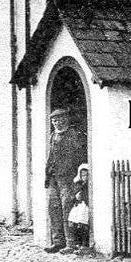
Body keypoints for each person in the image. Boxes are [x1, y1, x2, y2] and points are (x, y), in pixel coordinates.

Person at [44, 108, 85, 253]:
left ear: (66, 119)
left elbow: (80, 157)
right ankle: (58, 241)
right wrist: (47, 176)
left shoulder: (74, 135)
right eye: (54, 120)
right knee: (54, 209)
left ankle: (70, 243)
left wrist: (77, 178)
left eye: (60, 119)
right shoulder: (53, 135)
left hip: (68, 179)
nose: (57, 123)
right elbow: (50, 156)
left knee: (67, 209)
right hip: (53, 178)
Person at [68, 163, 90, 248]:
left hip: (86, 205)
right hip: (78, 205)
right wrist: (76, 197)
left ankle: (84, 244)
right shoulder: (78, 184)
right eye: (83, 175)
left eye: (86, 175)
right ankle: (77, 243)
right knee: (72, 220)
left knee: (82, 222)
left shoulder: (89, 184)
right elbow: (72, 195)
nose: (85, 177)